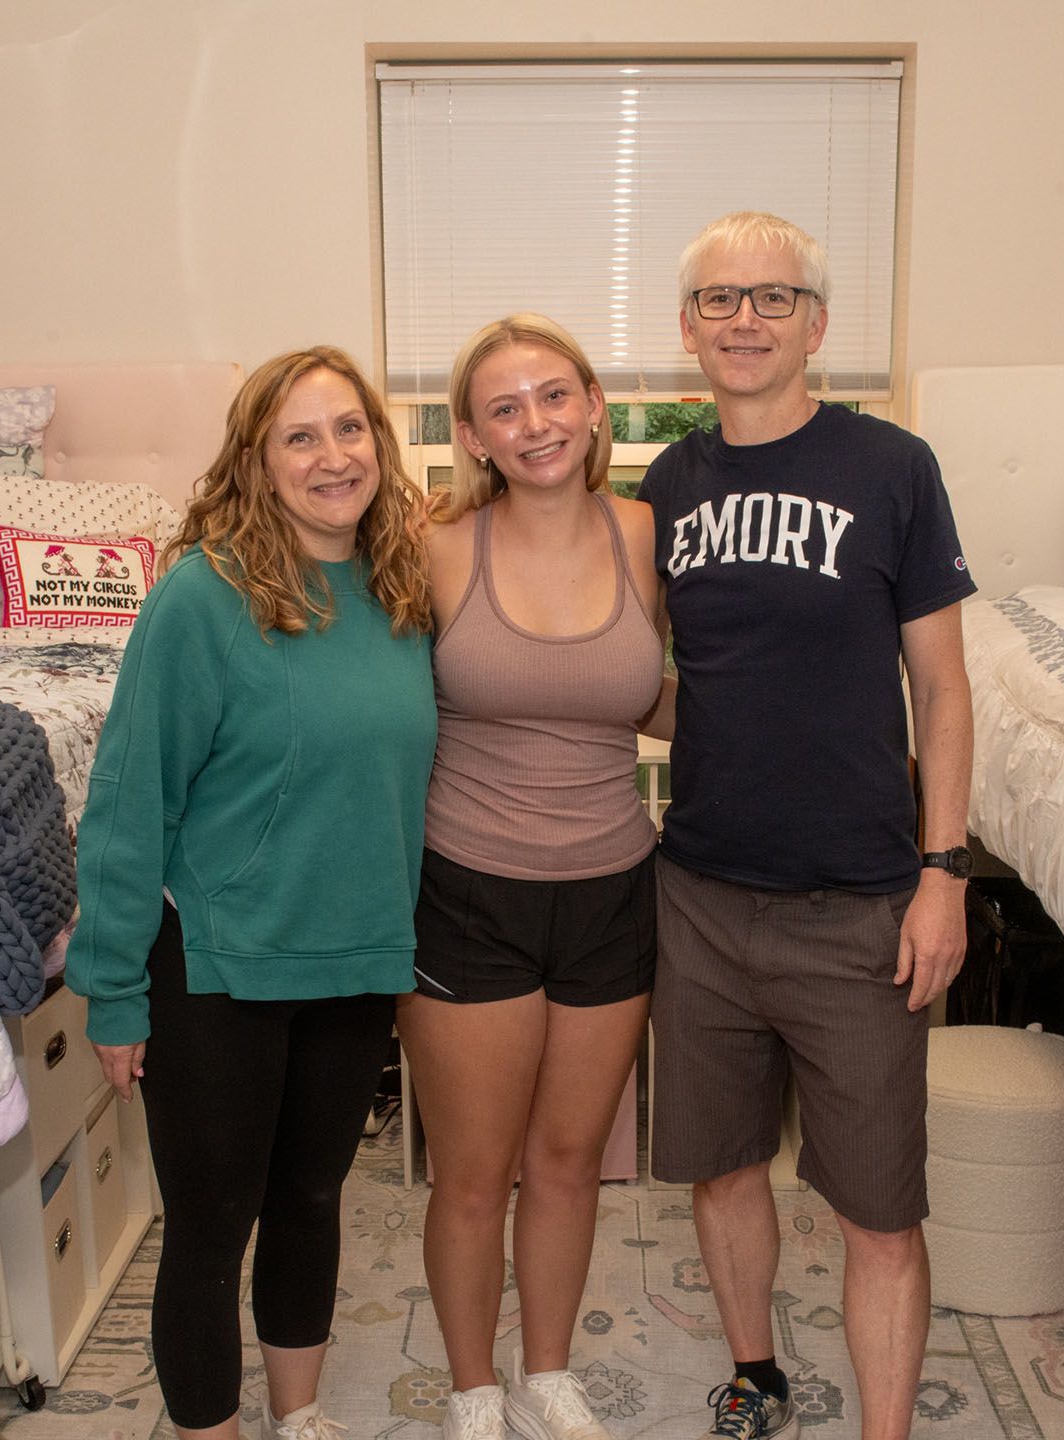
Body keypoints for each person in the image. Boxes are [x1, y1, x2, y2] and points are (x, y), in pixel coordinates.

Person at [638, 213, 975, 1440]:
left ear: (815, 324)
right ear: (687, 329)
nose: (743, 320)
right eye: (719, 301)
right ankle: (756, 1370)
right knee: (720, 1165)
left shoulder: (892, 468)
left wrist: (943, 875)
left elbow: (940, 688)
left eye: (771, 299)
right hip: (704, 896)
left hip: (865, 904)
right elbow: (656, 678)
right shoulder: (666, 488)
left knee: (879, 1207)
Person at [65, 347, 437, 1440]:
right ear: (257, 462)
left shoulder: (404, 588)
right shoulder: (203, 597)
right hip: (219, 967)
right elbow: (131, 802)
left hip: (355, 956)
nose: (333, 457)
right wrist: (114, 991)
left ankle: (299, 1415)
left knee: (313, 1202)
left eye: (350, 429)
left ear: (379, 441)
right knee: (211, 1225)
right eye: (300, 437)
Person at [404, 315, 671, 1440]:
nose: (535, 424)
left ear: (595, 406)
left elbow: (669, 701)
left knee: (569, 1162)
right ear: (471, 435)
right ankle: (473, 1388)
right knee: (475, 1172)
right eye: (504, 408)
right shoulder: (433, 547)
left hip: (613, 890)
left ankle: (547, 1373)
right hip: (467, 888)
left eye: (554, 397)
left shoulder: (644, 533)